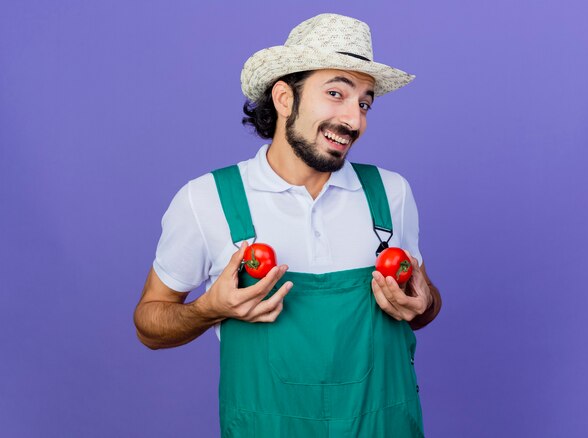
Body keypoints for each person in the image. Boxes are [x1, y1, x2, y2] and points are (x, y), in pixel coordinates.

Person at [134, 13, 441, 437]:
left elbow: (423, 305)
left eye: (364, 103)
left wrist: (423, 303)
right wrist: (210, 309)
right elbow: (150, 324)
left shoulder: (390, 194)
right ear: (283, 98)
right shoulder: (207, 200)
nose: (354, 120)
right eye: (336, 93)